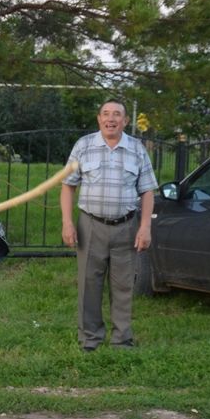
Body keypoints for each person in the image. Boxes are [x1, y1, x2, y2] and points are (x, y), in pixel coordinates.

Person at [60, 99, 157, 352]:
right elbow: (68, 185)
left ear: (125, 121)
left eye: (117, 115)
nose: (111, 119)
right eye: (106, 114)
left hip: (126, 227)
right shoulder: (84, 146)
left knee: (123, 285)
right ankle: (90, 340)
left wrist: (145, 226)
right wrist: (67, 223)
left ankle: (122, 340)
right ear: (99, 118)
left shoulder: (136, 149)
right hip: (90, 225)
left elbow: (147, 191)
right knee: (88, 285)